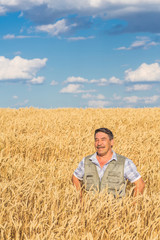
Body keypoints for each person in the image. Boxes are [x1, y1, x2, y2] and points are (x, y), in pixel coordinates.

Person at [72, 128, 145, 197]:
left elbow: (140, 184)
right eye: (96, 140)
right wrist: (80, 199)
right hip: (90, 208)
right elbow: (75, 177)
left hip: (115, 209)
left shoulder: (124, 163)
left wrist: (132, 207)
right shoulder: (86, 161)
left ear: (111, 142)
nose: (99, 143)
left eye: (103, 140)